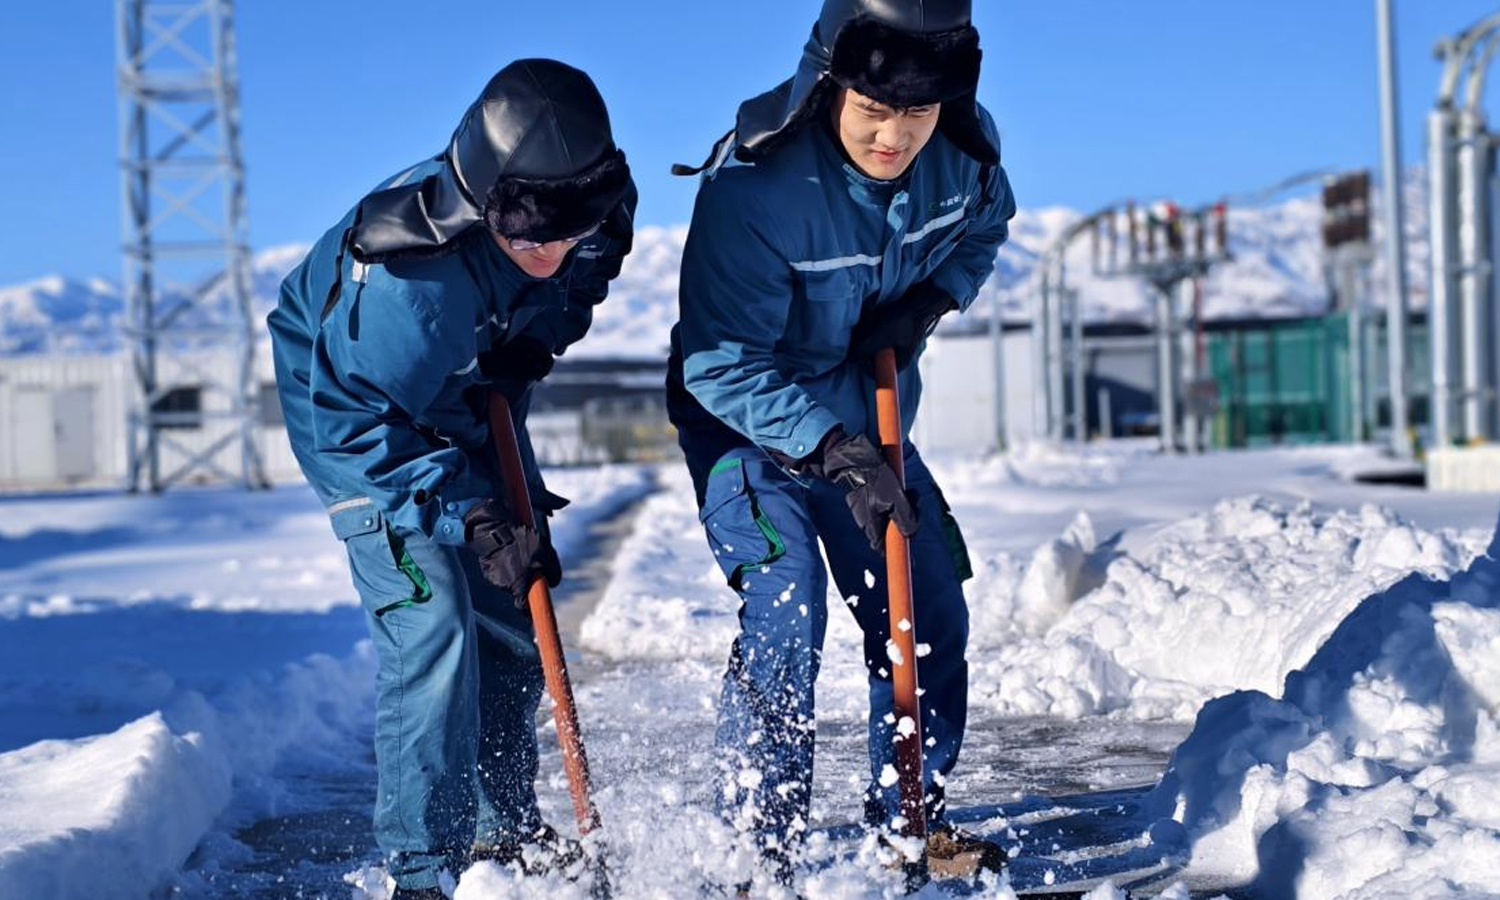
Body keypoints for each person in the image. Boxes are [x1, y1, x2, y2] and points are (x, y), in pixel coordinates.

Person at [266, 60, 635, 900]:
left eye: (565, 237)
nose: (552, 254)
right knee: (432, 625)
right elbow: (359, 424)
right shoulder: (409, 281)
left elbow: (583, 279)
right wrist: (469, 517)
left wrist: (534, 344)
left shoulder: (593, 211)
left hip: (465, 384)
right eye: (529, 241)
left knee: (515, 610)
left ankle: (501, 830)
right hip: (356, 412)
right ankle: (424, 873)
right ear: (485, 207)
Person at [668, 0, 1017, 884]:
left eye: (918, 113)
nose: (895, 136)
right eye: (873, 111)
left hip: (862, 410)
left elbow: (988, 222)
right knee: (787, 607)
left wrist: (931, 299)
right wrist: (835, 452)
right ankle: (755, 846)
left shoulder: (962, 156)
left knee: (927, 606)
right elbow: (718, 365)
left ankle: (910, 817)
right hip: (748, 422)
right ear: (831, 82)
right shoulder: (753, 188)